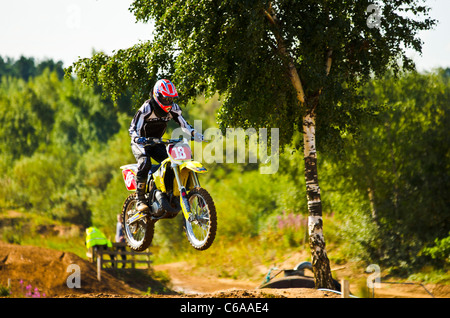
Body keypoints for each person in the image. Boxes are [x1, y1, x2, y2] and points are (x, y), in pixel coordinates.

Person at [129, 79, 203, 212]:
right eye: (166, 98)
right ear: (157, 95)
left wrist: (194, 133)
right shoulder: (147, 108)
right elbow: (133, 128)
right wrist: (137, 138)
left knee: (171, 162)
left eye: (171, 99)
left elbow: (184, 124)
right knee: (145, 162)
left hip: (157, 142)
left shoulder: (173, 108)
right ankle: (140, 200)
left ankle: (167, 192)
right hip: (140, 143)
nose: (168, 102)